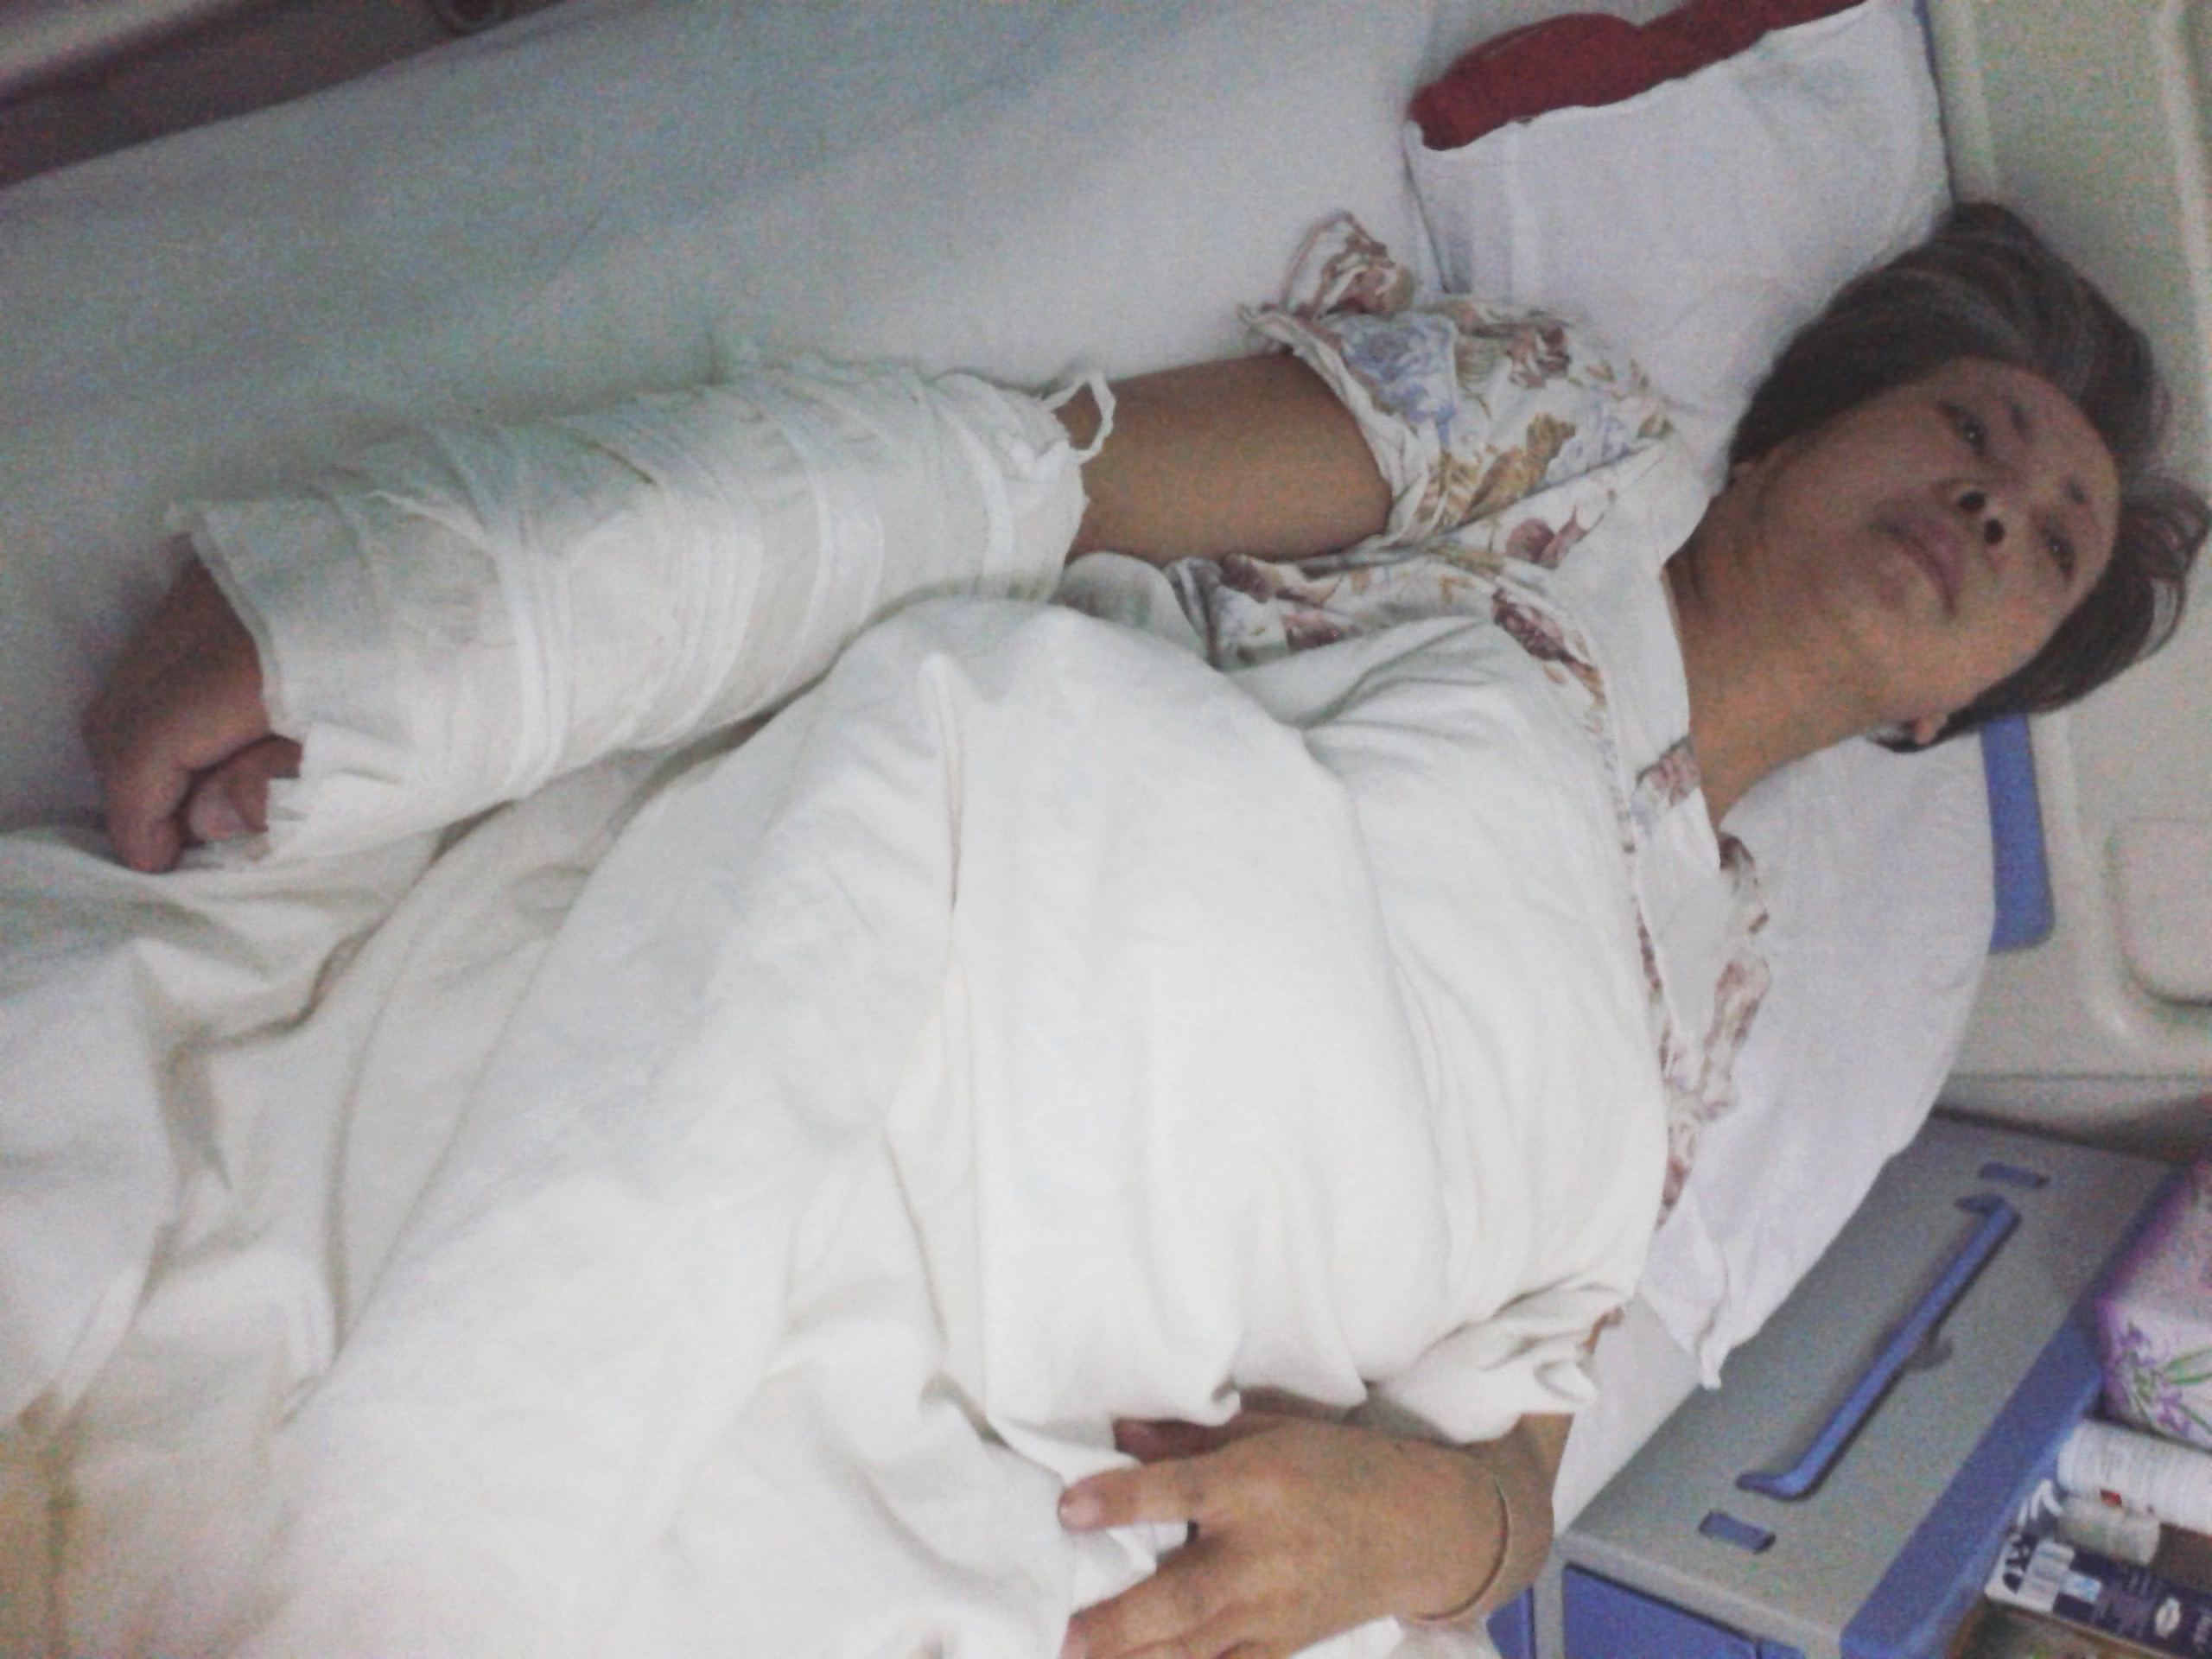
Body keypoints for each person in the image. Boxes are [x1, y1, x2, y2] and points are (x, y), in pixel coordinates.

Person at [52, 204, 2206, 1658]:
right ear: (1796, 436)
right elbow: (1001, 482)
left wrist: (1421, 1535)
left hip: (1121, 1432)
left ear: (1944, 713)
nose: (1991, 505)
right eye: (1970, 433)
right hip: (953, 964)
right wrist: (411, 616)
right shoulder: (1564, 454)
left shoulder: (1711, 975)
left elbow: (1520, 1442)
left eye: (2043, 544)